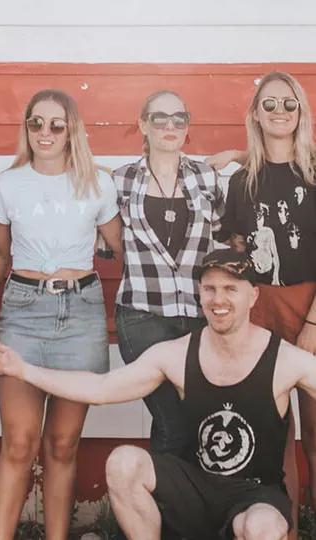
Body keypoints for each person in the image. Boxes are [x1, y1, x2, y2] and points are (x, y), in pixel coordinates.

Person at [0, 248, 316, 540]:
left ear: (252, 295)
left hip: (255, 495)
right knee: (124, 462)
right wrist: (23, 370)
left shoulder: (284, 359)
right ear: (199, 294)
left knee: (262, 527)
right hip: (193, 488)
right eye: (210, 289)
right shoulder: (177, 354)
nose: (219, 299)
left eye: (231, 289)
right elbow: (102, 389)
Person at [0, 89, 122, 539]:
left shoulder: (98, 183)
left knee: (63, 445)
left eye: (56, 124)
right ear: (26, 128)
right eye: (36, 123)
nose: (45, 133)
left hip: (80, 311)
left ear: (71, 130)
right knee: (19, 443)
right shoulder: (7, 184)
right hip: (23, 310)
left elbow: (122, 249)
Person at [215, 71, 316, 513]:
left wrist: (314, 322)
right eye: (269, 104)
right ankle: (283, 524)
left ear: (302, 112)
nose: (280, 112)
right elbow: (234, 251)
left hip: (310, 305)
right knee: (271, 427)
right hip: (259, 310)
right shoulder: (242, 181)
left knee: (315, 428)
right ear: (255, 113)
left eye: (289, 104)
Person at [113, 90, 225, 456]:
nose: (170, 126)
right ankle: (168, 509)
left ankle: (181, 506)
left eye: (180, 118)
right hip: (143, 315)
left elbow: (225, 241)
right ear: (143, 125)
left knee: (195, 418)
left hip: (199, 316)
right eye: (159, 118)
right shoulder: (120, 182)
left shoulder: (207, 179)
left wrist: (239, 154)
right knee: (170, 418)